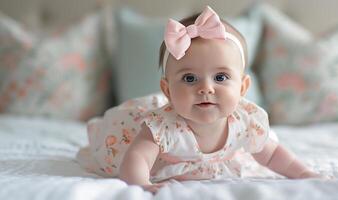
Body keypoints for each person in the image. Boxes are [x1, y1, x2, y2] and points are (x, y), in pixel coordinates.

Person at [77, 6, 323, 194]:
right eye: (190, 78)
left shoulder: (246, 121)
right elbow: (137, 158)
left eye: (220, 77)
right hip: (132, 139)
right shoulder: (161, 127)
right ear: (168, 90)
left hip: (211, 158)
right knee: (114, 141)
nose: (206, 88)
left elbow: (272, 155)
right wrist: (141, 184)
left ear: (242, 87)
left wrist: (302, 172)